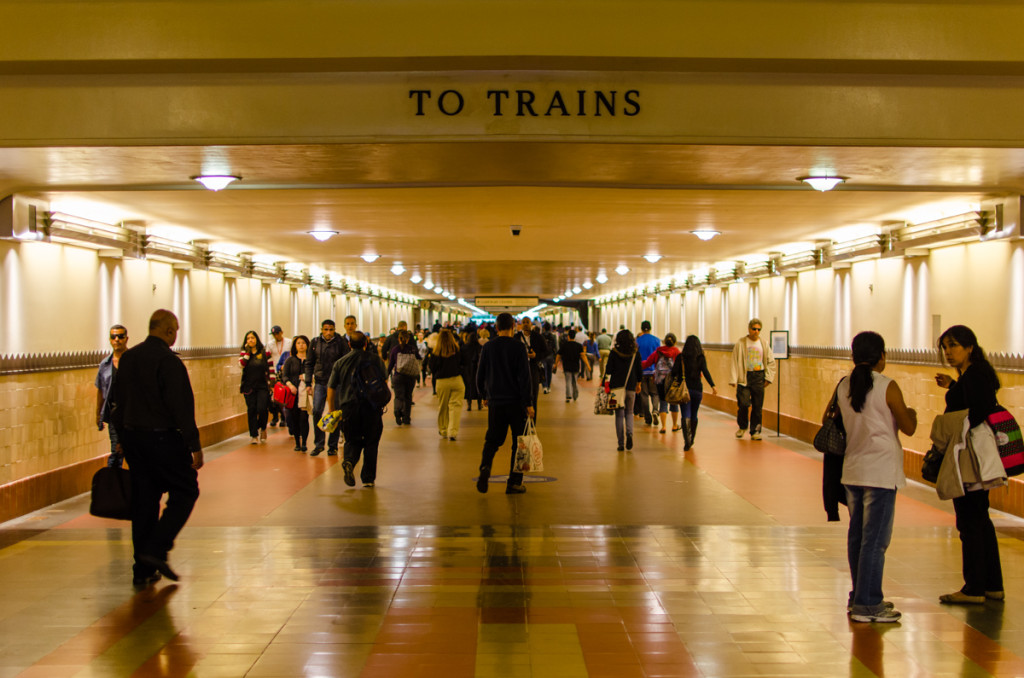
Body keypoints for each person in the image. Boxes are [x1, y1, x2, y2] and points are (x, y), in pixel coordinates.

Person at [109, 309, 203, 587]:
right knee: (186, 489)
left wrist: (121, 440)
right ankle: (157, 548)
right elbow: (181, 408)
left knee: (145, 500)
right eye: (176, 330)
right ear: (169, 331)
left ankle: (143, 569)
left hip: (134, 439)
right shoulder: (169, 363)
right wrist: (194, 445)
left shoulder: (128, 359)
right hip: (163, 439)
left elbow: (117, 403)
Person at [832, 331, 916, 623]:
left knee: (857, 536)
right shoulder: (887, 386)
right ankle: (868, 604)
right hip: (881, 473)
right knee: (875, 540)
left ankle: (859, 596)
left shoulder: (844, 385)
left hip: (853, 470)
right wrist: (912, 414)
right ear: (882, 356)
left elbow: (826, 420)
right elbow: (909, 427)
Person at [934, 325, 1006, 604]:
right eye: (945, 347)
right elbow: (975, 400)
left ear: (970, 347)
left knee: (969, 521)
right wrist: (953, 386)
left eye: (953, 346)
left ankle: (974, 588)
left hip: (970, 457)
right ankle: (991, 585)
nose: (948, 353)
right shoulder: (975, 374)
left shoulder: (975, 375)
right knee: (980, 519)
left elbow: (977, 411)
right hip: (974, 456)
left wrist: (947, 425)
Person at [475, 312, 535, 495]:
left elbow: (480, 375)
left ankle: (485, 467)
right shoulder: (518, 348)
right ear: (513, 326)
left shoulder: (488, 347)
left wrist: (484, 395)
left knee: (492, 439)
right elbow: (525, 378)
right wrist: (529, 403)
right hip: (516, 403)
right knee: (520, 443)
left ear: (497, 327)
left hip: (495, 402)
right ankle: (514, 482)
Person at [327, 332, 387, 488]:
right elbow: (385, 379)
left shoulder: (340, 363)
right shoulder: (375, 359)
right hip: (371, 407)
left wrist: (332, 409)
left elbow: (331, 388)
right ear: (366, 343)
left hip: (348, 407)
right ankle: (368, 478)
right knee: (371, 441)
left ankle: (349, 461)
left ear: (349, 344)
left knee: (352, 439)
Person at [304, 319, 347, 456]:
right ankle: (319, 444)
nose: (328, 333)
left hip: (336, 383)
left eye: (331, 330)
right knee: (317, 411)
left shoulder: (340, 342)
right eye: (326, 329)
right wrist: (307, 382)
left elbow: (346, 361)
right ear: (322, 330)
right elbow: (309, 363)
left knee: (335, 413)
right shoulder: (315, 342)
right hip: (320, 382)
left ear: (334, 330)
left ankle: (332, 445)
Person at [729, 318, 776, 440]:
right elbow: (734, 361)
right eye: (754, 329)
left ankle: (755, 430)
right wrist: (734, 379)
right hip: (744, 377)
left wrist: (768, 378)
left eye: (758, 329)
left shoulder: (764, 344)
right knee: (743, 404)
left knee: (757, 406)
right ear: (749, 329)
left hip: (758, 376)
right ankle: (742, 426)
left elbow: (771, 362)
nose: (756, 331)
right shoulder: (741, 343)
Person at [674, 335, 717, 451]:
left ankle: (686, 440)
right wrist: (713, 385)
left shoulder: (681, 357)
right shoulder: (700, 358)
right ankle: (691, 438)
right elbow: (706, 372)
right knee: (694, 414)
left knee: (685, 414)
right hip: (697, 390)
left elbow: (674, 373)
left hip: (684, 390)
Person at [96, 323, 129, 468]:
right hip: (114, 415)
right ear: (110, 340)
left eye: (120, 336)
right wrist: (98, 414)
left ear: (126, 339)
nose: (117, 339)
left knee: (134, 451)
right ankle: (113, 486)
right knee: (116, 451)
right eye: (113, 337)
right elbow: (101, 391)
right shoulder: (105, 365)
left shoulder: (134, 361)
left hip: (132, 415)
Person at [605, 329, 642, 452]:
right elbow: (639, 370)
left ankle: (621, 443)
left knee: (619, 415)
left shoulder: (614, 353)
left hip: (616, 388)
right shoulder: (635, 353)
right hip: (631, 386)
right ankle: (630, 434)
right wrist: (639, 384)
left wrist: (606, 385)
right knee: (629, 413)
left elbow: (608, 370)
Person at [641, 333, 680, 434]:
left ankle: (663, 427)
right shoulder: (676, 352)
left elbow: (647, 363)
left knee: (663, 402)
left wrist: (637, 366)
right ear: (675, 342)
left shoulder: (658, 351)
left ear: (664, 341)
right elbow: (680, 366)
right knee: (674, 403)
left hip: (660, 380)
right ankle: (675, 425)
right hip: (672, 381)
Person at [239, 330, 273, 444]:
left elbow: (271, 368)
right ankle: (254, 435)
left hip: (262, 386)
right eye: (248, 338)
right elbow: (241, 365)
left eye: (252, 338)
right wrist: (248, 353)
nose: (250, 340)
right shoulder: (244, 353)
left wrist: (272, 384)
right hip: (248, 387)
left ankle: (263, 427)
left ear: (257, 339)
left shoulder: (265, 352)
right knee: (251, 410)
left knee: (262, 408)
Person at [430, 329, 465, 441]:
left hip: (442, 381)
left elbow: (432, 368)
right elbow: (464, 363)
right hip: (457, 380)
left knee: (443, 406)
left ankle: (444, 429)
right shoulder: (457, 350)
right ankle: (453, 432)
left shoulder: (436, 352)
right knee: (456, 406)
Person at [514, 316, 549, 421]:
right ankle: (522, 420)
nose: (525, 324)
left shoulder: (538, 337)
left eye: (527, 322)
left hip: (533, 369)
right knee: (519, 395)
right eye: (523, 322)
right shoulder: (516, 337)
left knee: (533, 395)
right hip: (519, 369)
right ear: (520, 324)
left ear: (531, 324)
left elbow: (547, 351)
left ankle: (532, 423)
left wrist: (536, 356)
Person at [281, 335, 310, 452]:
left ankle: (304, 442)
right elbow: (284, 375)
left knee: (304, 418)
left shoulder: (311, 360)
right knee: (294, 418)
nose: (301, 345)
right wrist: (290, 385)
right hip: (293, 393)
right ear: (295, 346)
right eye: (298, 343)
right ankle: (297, 442)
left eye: (303, 342)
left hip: (306, 393)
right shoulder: (290, 360)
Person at [387, 329, 420, 426]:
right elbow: (418, 358)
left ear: (398, 339)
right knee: (408, 397)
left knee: (398, 396)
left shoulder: (395, 349)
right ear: (408, 338)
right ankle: (406, 418)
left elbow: (391, 364)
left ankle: (397, 411)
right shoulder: (412, 349)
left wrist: (387, 375)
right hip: (410, 376)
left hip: (398, 376)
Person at [635, 320, 661, 426]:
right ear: (650, 328)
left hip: (641, 371)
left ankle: (648, 417)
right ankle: (655, 410)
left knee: (644, 395)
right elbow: (658, 356)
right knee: (655, 393)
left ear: (641, 329)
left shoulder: (637, 341)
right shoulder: (656, 340)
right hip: (653, 371)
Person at [554, 329, 589, 403]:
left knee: (568, 381)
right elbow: (583, 356)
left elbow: (558, 355)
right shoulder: (579, 346)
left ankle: (568, 396)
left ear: (568, 336)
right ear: (574, 336)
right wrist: (588, 365)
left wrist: (555, 364)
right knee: (574, 382)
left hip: (567, 367)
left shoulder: (564, 345)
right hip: (576, 367)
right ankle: (575, 396)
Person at [266, 325, 287, 427]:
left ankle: (283, 417)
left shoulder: (289, 342)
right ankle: (275, 416)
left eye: (277, 333)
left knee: (282, 396)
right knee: (273, 397)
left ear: (281, 332)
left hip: (284, 372)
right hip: (273, 373)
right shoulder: (270, 344)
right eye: (274, 334)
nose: (276, 336)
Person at [461, 331, 483, 411]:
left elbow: (461, 359)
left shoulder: (464, 347)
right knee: (478, 386)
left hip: (467, 370)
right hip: (477, 369)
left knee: (468, 387)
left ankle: (469, 405)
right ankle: (479, 404)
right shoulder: (480, 347)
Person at [540, 322, 558, 394]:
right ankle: (549, 387)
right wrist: (555, 357)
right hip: (550, 356)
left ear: (544, 328)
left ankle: (544, 386)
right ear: (550, 328)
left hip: (543, 356)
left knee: (544, 371)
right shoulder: (553, 336)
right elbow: (555, 347)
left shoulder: (541, 336)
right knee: (549, 372)